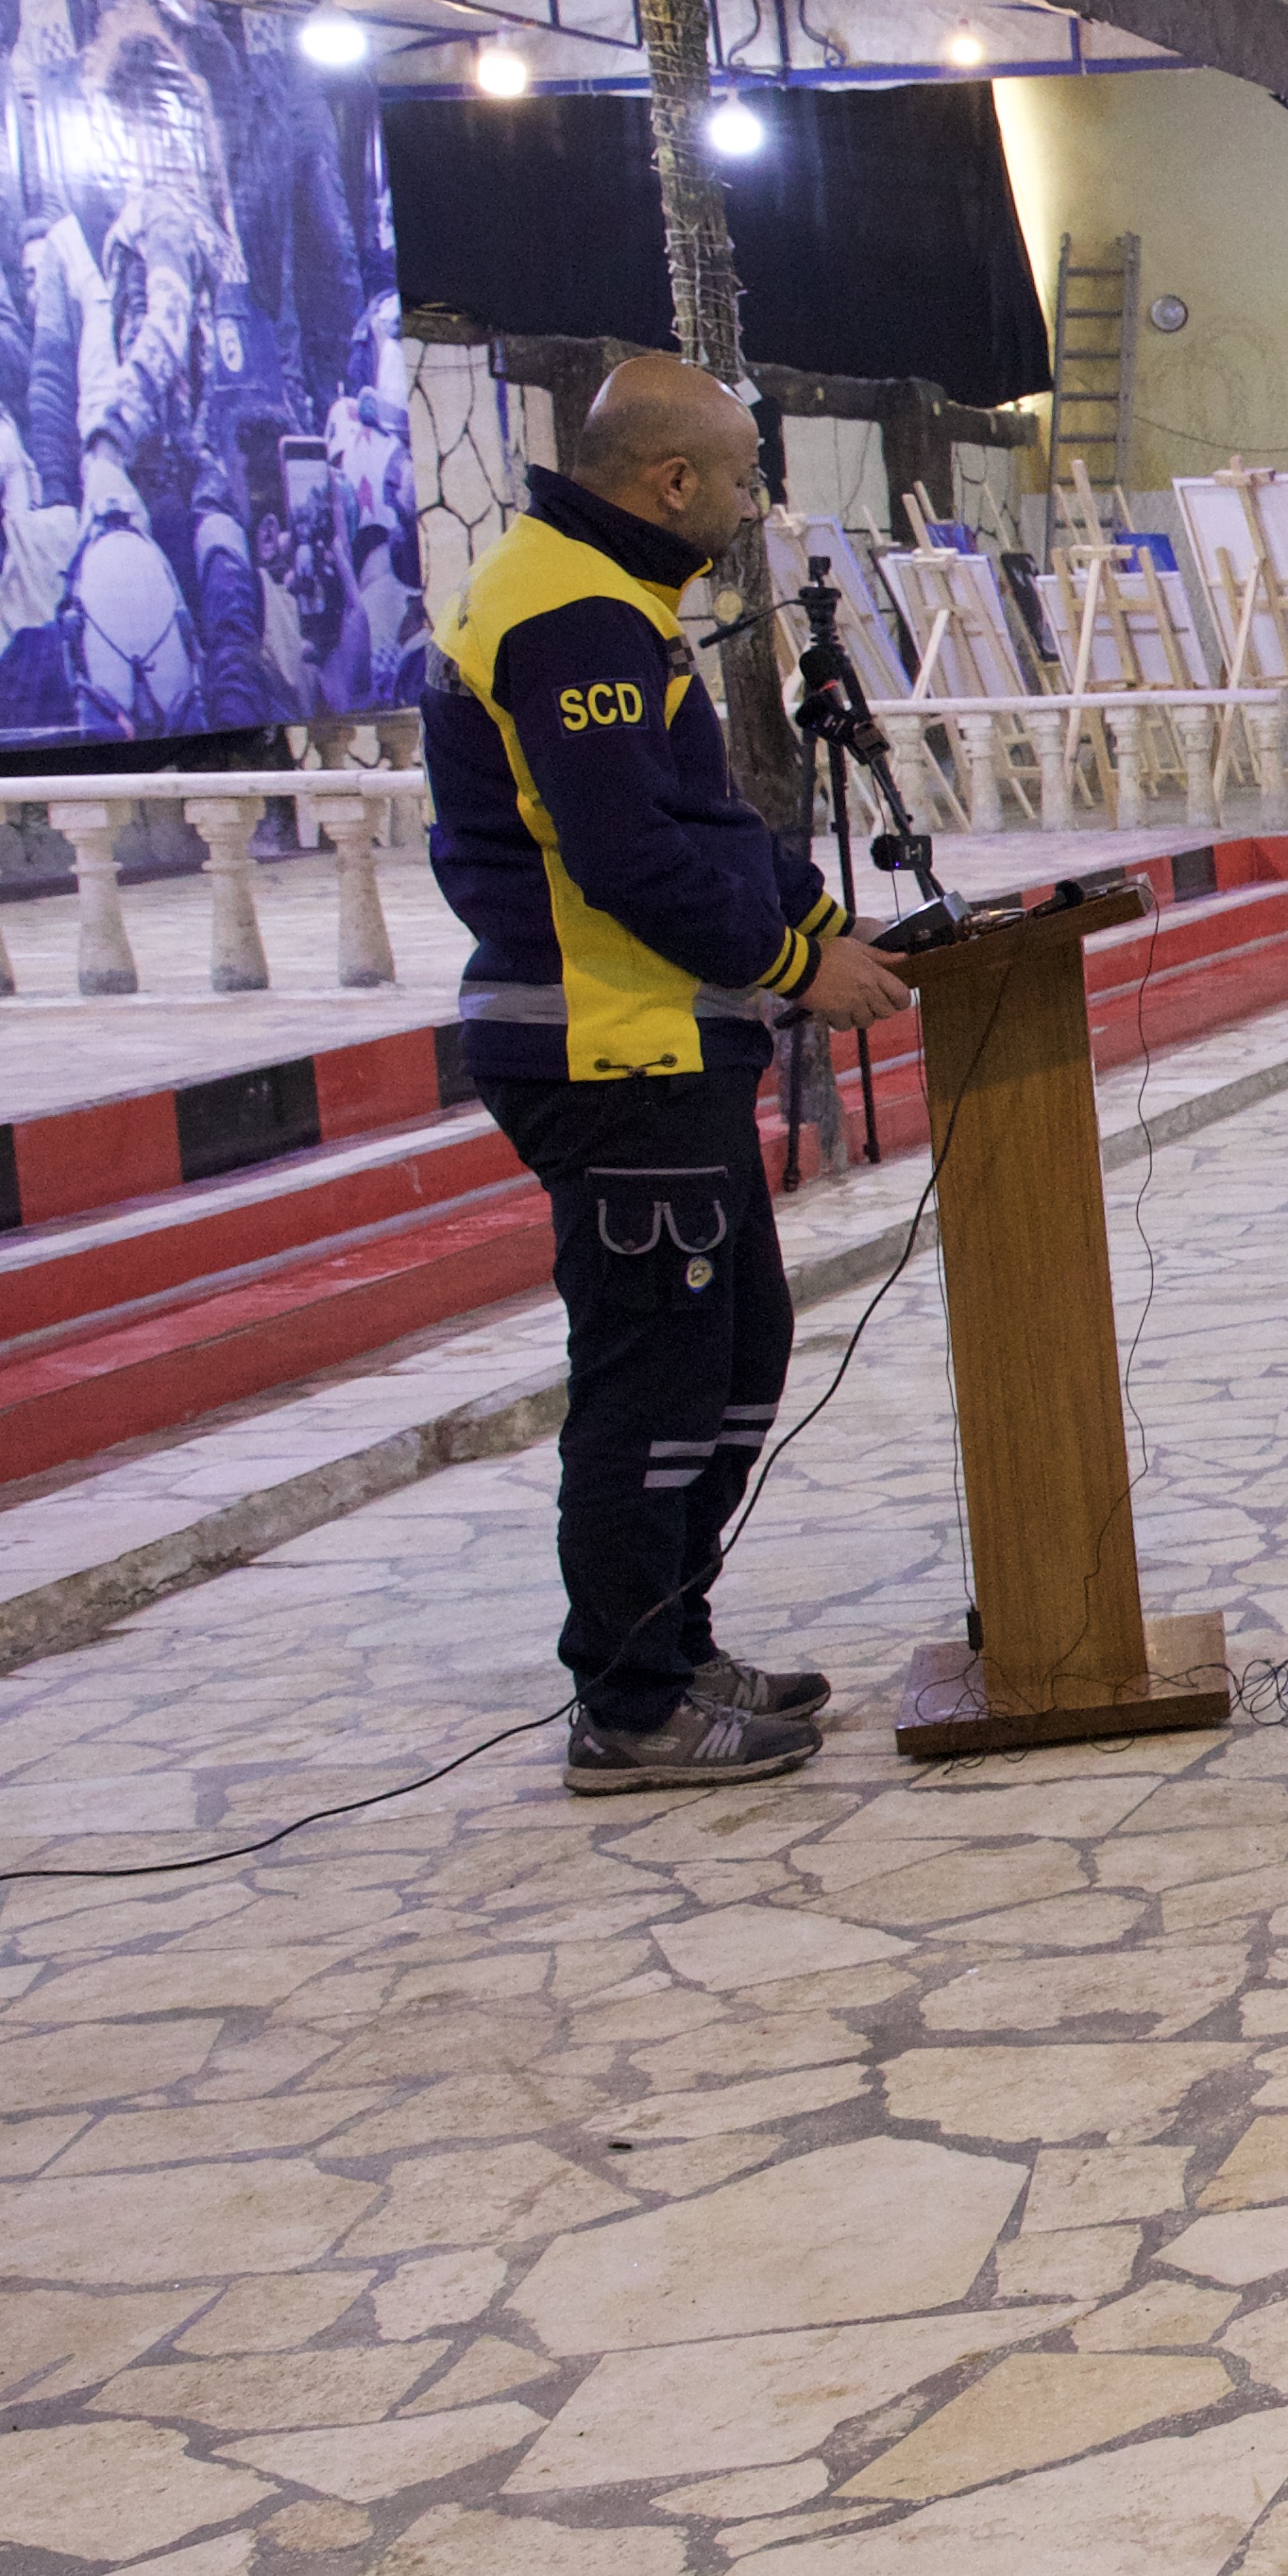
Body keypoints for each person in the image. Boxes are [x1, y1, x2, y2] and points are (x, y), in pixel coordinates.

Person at [421, 350, 906, 1789]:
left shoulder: (614, 599)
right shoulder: (565, 611)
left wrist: (819, 925)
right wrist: (793, 969)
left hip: (668, 1038)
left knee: (735, 1361)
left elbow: (700, 817)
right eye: (744, 479)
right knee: (652, 1384)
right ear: (673, 479)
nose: (754, 506)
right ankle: (629, 1705)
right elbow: (630, 859)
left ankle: (676, 1646)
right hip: (605, 1046)